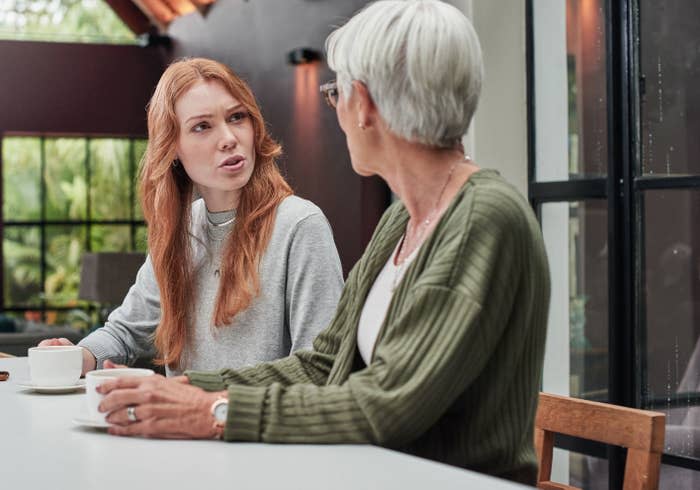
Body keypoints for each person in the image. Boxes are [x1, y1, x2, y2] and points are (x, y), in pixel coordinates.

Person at [97, 1, 550, 484]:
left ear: (368, 105)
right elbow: (324, 363)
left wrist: (215, 411)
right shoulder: (404, 217)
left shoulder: (483, 220)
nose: (334, 109)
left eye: (336, 93)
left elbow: (386, 404)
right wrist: (192, 389)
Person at [40, 58, 344, 376]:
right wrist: (78, 355)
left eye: (237, 117)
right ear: (172, 147)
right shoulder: (183, 230)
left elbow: (320, 369)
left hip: (250, 425)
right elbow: (124, 332)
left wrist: (204, 403)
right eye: (202, 126)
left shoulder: (300, 225)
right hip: (175, 427)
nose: (228, 138)